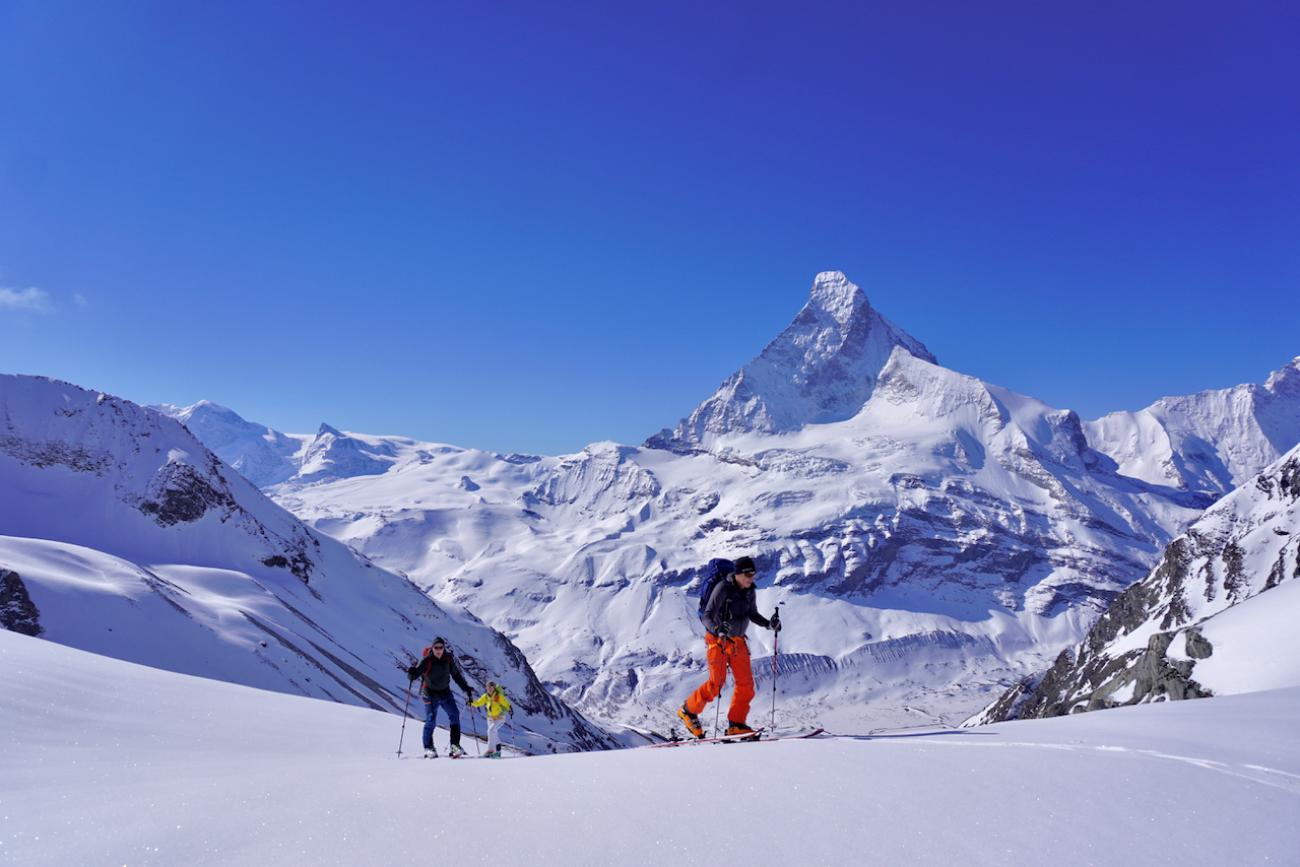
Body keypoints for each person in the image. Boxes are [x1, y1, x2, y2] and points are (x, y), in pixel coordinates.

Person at [678, 555, 781, 739]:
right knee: (716, 683)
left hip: (738, 641)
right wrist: (718, 629)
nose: (751, 578)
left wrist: (768, 624)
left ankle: (736, 725)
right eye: (747, 574)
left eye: (753, 574)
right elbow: (706, 616)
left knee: (746, 685)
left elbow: (752, 614)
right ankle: (688, 710)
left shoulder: (750, 591)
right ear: (738, 574)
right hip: (718, 641)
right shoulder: (723, 589)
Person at [407, 636, 473, 758]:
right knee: (431, 720)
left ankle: (455, 746)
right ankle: (428, 748)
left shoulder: (448, 659)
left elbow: (456, 675)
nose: (438, 650)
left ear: (444, 648)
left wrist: (466, 688)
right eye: (436, 647)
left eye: (441, 647)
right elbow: (416, 673)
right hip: (430, 694)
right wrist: (411, 674)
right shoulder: (427, 660)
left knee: (454, 715)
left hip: (445, 692)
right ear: (432, 648)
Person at [471, 679, 513, 758]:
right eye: (488, 687)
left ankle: (490, 751)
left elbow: (505, 703)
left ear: (494, 688)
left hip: (500, 717)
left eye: (491, 687)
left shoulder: (498, 696)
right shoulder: (485, 696)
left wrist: (509, 708)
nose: (489, 688)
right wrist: (471, 703)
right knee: (493, 733)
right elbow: (479, 703)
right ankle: (498, 751)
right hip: (490, 718)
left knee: (491, 731)